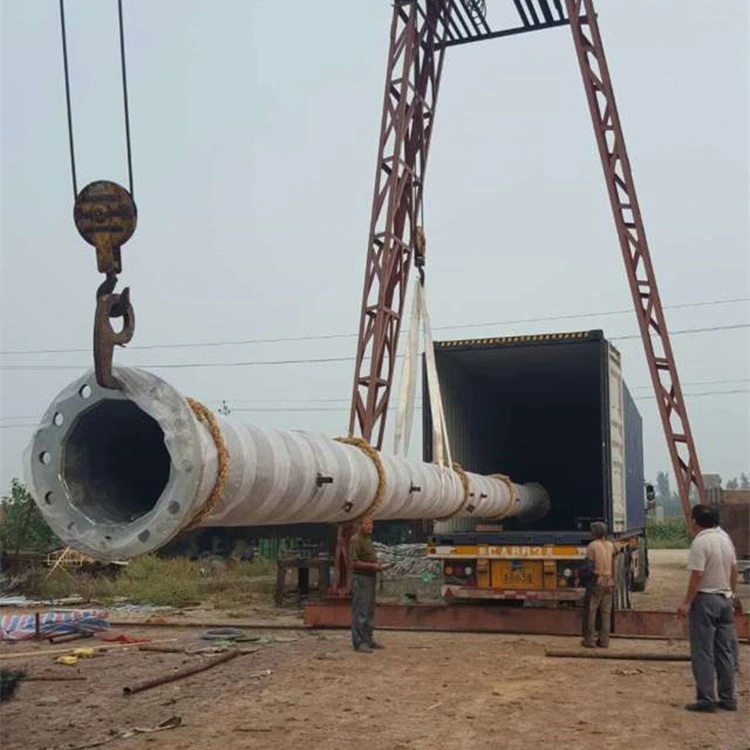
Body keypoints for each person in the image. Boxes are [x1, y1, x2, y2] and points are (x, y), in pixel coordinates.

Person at [677, 504, 738, 712]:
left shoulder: (700, 542)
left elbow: (697, 575)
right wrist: (731, 594)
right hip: (724, 599)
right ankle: (728, 698)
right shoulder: (725, 539)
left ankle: (706, 699)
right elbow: (734, 569)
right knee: (725, 652)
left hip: (705, 601)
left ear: (695, 521)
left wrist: (686, 602)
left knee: (703, 652)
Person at [349, 515, 384, 653]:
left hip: (370, 577)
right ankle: (359, 642)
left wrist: (377, 564)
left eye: (371, 523)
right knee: (360, 611)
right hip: (361, 578)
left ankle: (368, 639)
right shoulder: (355, 540)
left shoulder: (367, 539)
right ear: (360, 525)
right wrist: (371, 566)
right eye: (367, 524)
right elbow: (353, 562)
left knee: (369, 611)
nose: (370, 526)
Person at [582, 521, 615, 648]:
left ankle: (589, 640)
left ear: (594, 533)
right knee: (606, 612)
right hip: (609, 581)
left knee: (591, 610)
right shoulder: (610, 545)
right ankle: (604, 641)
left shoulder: (592, 546)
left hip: (597, 580)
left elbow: (588, 566)